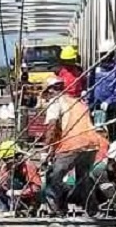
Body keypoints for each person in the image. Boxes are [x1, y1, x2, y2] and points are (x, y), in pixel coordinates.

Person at [41, 76, 104, 217]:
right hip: (91, 143)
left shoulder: (55, 102)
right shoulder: (77, 102)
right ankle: (92, 209)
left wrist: (46, 151)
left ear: (50, 91)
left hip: (72, 143)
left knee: (53, 176)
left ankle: (56, 209)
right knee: (84, 178)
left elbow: (52, 127)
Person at [87, 40, 116, 140]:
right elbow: (90, 86)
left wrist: (109, 101)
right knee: (95, 131)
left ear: (111, 54)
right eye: (102, 54)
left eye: (105, 54)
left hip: (110, 107)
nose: (103, 57)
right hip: (96, 105)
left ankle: (112, 145)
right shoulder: (95, 68)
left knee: (112, 130)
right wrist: (89, 102)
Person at [0, 140, 42, 217]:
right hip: (11, 199)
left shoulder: (28, 166)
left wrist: (19, 192)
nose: (8, 163)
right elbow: (3, 184)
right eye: (5, 160)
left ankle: (25, 210)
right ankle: (6, 211)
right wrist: (1, 185)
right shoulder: (5, 168)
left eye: (9, 160)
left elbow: (36, 188)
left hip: (27, 199)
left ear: (18, 157)